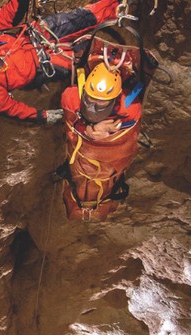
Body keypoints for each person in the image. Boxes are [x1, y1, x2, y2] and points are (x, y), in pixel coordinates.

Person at [0, 0, 122, 123]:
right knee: (84, 55)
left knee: (80, 18)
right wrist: (42, 116)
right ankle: (117, 62)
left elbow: (8, 15)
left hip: (35, 36)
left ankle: (116, 7)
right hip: (41, 65)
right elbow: (8, 107)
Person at [58, 62, 143, 220]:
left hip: (101, 165)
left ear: (115, 99)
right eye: (90, 99)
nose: (93, 106)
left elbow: (130, 134)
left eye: (101, 103)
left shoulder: (129, 108)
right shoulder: (71, 97)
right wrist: (89, 131)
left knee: (97, 175)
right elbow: (70, 121)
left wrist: (107, 133)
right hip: (88, 164)